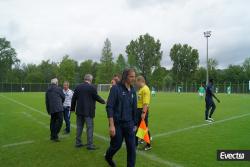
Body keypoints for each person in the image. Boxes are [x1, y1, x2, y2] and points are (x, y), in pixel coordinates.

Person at [105, 68, 137, 167]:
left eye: (134, 76)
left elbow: (134, 108)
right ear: (125, 76)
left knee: (132, 148)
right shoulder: (116, 88)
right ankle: (108, 157)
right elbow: (109, 107)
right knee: (116, 146)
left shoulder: (133, 90)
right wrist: (111, 125)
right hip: (117, 124)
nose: (133, 78)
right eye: (131, 76)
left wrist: (135, 123)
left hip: (129, 124)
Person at [71, 74, 105, 150]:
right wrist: (104, 101)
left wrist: (72, 109)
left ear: (84, 79)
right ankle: (90, 145)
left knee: (79, 127)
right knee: (89, 128)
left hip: (79, 111)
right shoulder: (92, 87)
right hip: (88, 112)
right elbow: (96, 97)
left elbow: (73, 98)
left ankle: (78, 143)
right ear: (90, 79)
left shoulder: (78, 87)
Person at [135, 76, 152, 151]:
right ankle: (140, 140)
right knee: (140, 126)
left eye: (136, 82)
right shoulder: (141, 89)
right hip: (139, 110)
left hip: (142, 110)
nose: (136, 84)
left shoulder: (145, 89)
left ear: (140, 81)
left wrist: (143, 113)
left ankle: (148, 145)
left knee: (144, 127)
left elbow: (145, 103)